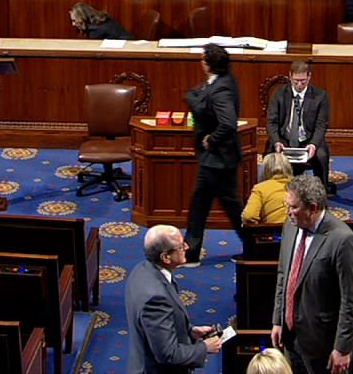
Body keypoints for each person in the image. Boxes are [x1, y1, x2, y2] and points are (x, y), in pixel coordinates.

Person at [270, 177, 353, 374]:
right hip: (290, 338)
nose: (288, 213)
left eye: (293, 207)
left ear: (312, 208)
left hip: (322, 345)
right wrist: (278, 320)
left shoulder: (343, 240)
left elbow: (350, 299)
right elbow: (283, 275)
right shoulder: (290, 225)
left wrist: (343, 348)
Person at [125, 224, 223, 373]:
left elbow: (157, 327)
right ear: (166, 257)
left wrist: (189, 331)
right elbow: (168, 354)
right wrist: (204, 348)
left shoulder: (142, 270)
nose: (187, 247)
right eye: (181, 246)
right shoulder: (155, 298)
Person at [183, 43, 244, 265]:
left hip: (219, 158)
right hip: (213, 160)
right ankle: (190, 253)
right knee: (200, 204)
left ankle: (256, 246)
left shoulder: (221, 89)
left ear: (208, 64)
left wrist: (212, 138)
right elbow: (195, 95)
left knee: (232, 208)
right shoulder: (220, 81)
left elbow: (228, 123)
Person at [266, 61, 332, 194]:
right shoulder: (279, 94)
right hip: (284, 139)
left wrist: (313, 144)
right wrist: (277, 141)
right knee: (270, 155)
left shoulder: (320, 96)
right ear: (290, 76)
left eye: (303, 81)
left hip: (308, 140)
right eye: (296, 81)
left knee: (321, 155)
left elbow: (321, 125)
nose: (299, 85)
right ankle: (272, 195)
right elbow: (271, 122)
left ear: (309, 77)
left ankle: (321, 195)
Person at [243, 153, 294, 225]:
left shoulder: (260, 188)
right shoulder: (299, 186)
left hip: (271, 233)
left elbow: (248, 216)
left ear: (265, 170)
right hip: (297, 233)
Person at [69, 1, 133, 40]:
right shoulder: (102, 18)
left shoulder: (95, 31)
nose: (73, 24)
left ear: (83, 18)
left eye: (75, 20)